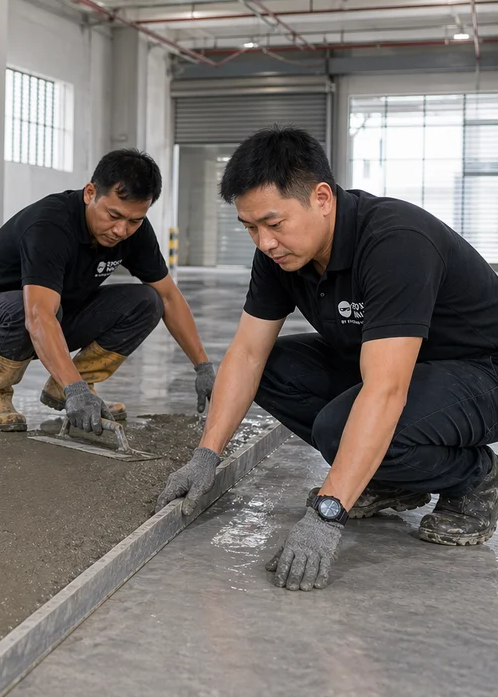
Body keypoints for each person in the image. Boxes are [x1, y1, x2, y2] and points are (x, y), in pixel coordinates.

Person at [157, 125, 498, 592]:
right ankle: (393, 477)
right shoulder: (279, 255)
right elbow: (248, 353)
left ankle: (475, 478)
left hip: (482, 374)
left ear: (321, 197)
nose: (264, 242)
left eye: (274, 224)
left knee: (339, 427)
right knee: (274, 369)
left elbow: (386, 389)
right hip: (401, 369)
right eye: (250, 227)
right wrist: (206, 455)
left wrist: (328, 512)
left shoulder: (395, 242)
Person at [0, 149, 217, 439]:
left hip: (53, 315)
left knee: (147, 301)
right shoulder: (50, 225)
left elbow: (168, 297)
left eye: (134, 220)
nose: (121, 230)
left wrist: (203, 367)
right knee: (29, 309)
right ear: (90, 193)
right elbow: (38, 316)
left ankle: (70, 386)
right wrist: (72, 388)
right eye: (113, 215)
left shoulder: (134, 231)